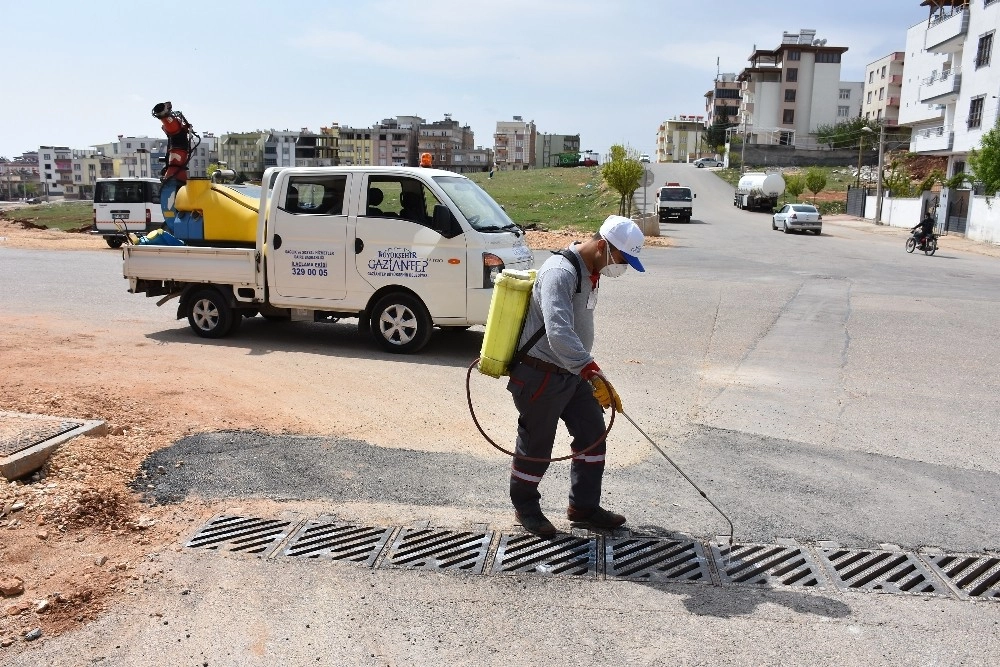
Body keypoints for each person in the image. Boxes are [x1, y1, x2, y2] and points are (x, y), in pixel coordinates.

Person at [506, 215, 645, 537]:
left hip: (571, 373)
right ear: (601, 246)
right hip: (541, 372)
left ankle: (583, 507)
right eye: (622, 258)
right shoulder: (560, 272)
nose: (622, 266)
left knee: (592, 433)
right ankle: (525, 508)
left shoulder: (590, 273)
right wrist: (591, 370)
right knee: (537, 444)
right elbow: (558, 333)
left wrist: (586, 371)